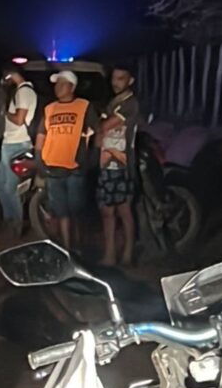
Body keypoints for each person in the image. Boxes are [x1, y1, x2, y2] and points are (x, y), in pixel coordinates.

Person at [37, 70, 97, 252]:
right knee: (62, 212)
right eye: (56, 84)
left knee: (76, 211)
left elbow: (97, 132)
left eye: (62, 84)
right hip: (53, 167)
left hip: (75, 167)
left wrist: (92, 157)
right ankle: (67, 249)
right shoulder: (49, 109)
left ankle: (80, 247)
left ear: (72, 87)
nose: (57, 88)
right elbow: (41, 134)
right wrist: (39, 158)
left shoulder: (84, 106)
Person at [94, 63, 143, 266]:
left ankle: (119, 255)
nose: (116, 83)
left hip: (119, 165)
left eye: (121, 78)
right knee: (115, 212)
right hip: (110, 164)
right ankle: (116, 255)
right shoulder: (115, 102)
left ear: (130, 81)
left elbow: (104, 127)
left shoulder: (129, 103)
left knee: (117, 211)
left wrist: (98, 129)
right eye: (114, 78)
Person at [0, 63, 37, 237]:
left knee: (10, 187)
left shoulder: (24, 91)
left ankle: (16, 222)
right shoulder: (21, 91)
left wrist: (5, 113)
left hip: (17, 143)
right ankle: (10, 218)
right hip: (10, 142)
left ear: (11, 74)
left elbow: (20, 119)